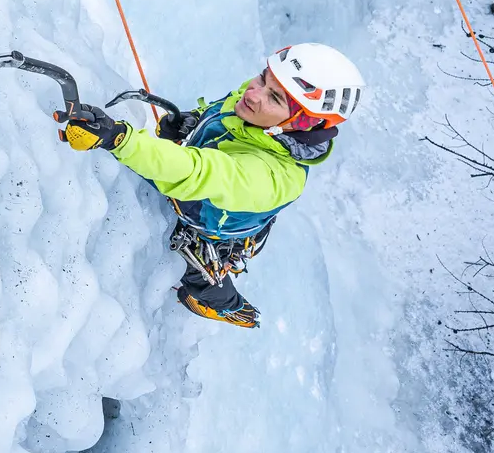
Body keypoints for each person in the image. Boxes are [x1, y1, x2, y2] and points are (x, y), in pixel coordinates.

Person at [52, 43, 366, 328]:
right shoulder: (260, 109)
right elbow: (226, 114)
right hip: (214, 174)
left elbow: (193, 174)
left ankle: (224, 304)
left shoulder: (275, 178)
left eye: (275, 97)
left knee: (200, 278)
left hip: (208, 216)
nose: (253, 93)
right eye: (262, 78)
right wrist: (196, 121)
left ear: (302, 123)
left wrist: (118, 138)